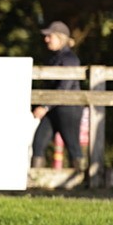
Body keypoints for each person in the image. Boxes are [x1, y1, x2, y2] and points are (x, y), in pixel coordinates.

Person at [31, 21, 82, 169]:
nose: (46, 39)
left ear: (60, 37)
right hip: (54, 109)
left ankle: (80, 180)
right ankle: (37, 180)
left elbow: (64, 87)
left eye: (49, 36)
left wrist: (45, 107)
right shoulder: (54, 58)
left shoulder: (70, 59)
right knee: (38, 142)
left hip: (68, 109)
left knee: (72, 145)